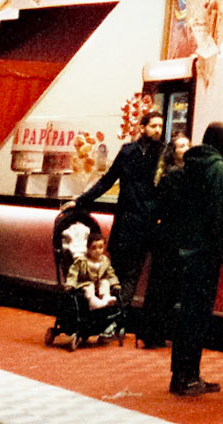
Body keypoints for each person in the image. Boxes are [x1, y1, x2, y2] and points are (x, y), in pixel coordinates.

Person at [65, 107, 164, 341]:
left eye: (160, 126)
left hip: (133, 223)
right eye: (154, 126)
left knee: (123, 274)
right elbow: (107, 180)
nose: (158, 130)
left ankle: (112, 320)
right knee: (122, 275)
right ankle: (113, 320)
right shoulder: (147, 153)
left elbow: (108, 181)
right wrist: (81, 200)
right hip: (136, 223)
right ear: (142, 127)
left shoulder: (146, 153)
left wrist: (80, 201)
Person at [158, 121, 223, 396]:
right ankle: (189, 376)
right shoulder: (217, 169)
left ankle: (180, 374)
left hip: (186, 248)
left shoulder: (189, 164)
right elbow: (219, 213)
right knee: (199, 315)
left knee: (186, 314)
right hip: (206, 251)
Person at [140, 129, 191, 350]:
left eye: (187, 145)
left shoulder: (167, 174)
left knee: (160, 285)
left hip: (164, 235)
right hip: (172, 236)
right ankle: (155, 332)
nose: (186, 149)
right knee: (166, 286)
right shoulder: (178, 175)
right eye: (181, 146)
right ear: (173, 151)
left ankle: (152, 331)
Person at [63, 233, 121, 343]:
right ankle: (93, 301)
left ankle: (105, 298)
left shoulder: (104, 260)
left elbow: (110, 274)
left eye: (100, 247)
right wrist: (70, 284)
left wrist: (115, 283)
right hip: (84, 283)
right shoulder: (82, 261)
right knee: (89, 285)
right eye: (94, 248)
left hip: (98, 285)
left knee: (105, 281)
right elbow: (73, 273)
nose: (97, 251)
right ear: (88, 249)